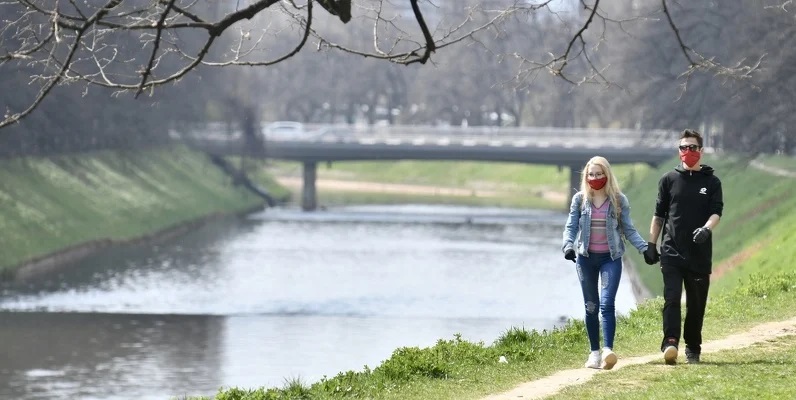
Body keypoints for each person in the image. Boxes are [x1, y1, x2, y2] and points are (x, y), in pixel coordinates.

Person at [644, 129, 723, 365]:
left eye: (692, 148)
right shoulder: (668, 180)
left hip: (699, 254)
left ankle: (693, 348)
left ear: (701, 150)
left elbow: (716, 212)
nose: (688, 152)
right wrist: (651, 244)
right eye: (683, 148)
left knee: (696, 304)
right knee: (671, 298)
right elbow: (659, 215)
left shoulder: (711, 182)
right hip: (671, 252)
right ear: (679, 152)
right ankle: (670, 342)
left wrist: (707, 229)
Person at [562, 156, 649, 370]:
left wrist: (644, 248)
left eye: (599, 174)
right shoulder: (580, 200)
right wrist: (568, 246)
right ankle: (594, 354)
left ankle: (608, 350)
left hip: (611, 258)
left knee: (607, 304)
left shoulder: (619, 200)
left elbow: (628, 229)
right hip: (585, 259)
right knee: (591, 307)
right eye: (591, 174)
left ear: (607, 175)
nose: (595, 178)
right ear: (586, 177)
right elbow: (571, 227)